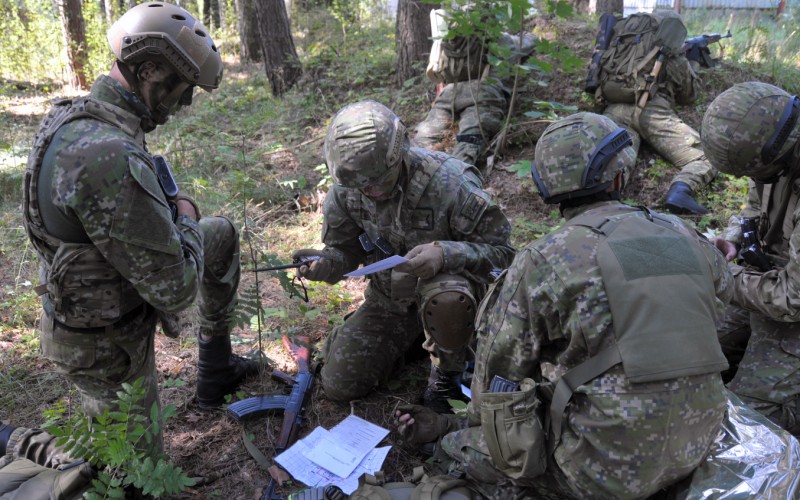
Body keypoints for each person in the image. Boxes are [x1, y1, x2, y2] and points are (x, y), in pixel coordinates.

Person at [395, 112, 733, 499]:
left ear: (545, 186)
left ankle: (445, 443)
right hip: (700, 440)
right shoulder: (679, 232)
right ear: (621, 177)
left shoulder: (543, 260)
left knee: (462, 449)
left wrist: (461, 430)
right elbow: (722, 291)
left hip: (606, 471)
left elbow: (496, 379)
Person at [21, 2, 258, 457]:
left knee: (221, 234)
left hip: (113, 299)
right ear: (149, 69)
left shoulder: (78, 117)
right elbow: (177, 290)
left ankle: (216, 369)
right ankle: (15, 441)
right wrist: (185, 214)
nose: (184, 104)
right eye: (182, 89)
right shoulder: (109, 157)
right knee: (131, 482)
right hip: (106, 346)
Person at [293, 99, 514, 411]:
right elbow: (345, 251)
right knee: (339, 384)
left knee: (447, 297)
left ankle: (447, 376)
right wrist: (325, 266)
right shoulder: (348, 189)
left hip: (453, 301)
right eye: (360, 186)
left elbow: (504, 257)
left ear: (399, 154)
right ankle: (416, 343)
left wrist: (445, 253)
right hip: (389, 303)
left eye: (377, 181)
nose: (368, 191)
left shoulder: (451, 183)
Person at [702, 81, 800, 436]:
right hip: (768, 278)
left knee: (743, 423)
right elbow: (755, 206)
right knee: (690, 351)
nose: (751, 179)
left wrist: (722, 276)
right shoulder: (778, 144)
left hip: (791, 299)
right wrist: (733, 241)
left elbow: (793, 300)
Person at [596, 11, 717, 216]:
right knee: (707, 157)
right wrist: (693, 61)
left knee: (613, 161)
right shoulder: (669, 51)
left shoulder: (625, 43)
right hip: (651, 113)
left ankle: (601, 202)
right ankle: (680, 192)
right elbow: (689, 96)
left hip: (614, 108)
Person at [412, 5, 535, 173]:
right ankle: (453, 177)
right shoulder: (499, 40)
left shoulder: (447, 41)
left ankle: (414, 170)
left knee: (422, 141)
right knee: (469, 143)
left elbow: (437, 73)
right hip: (484, 94)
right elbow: (527, 43)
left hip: (450, 94)